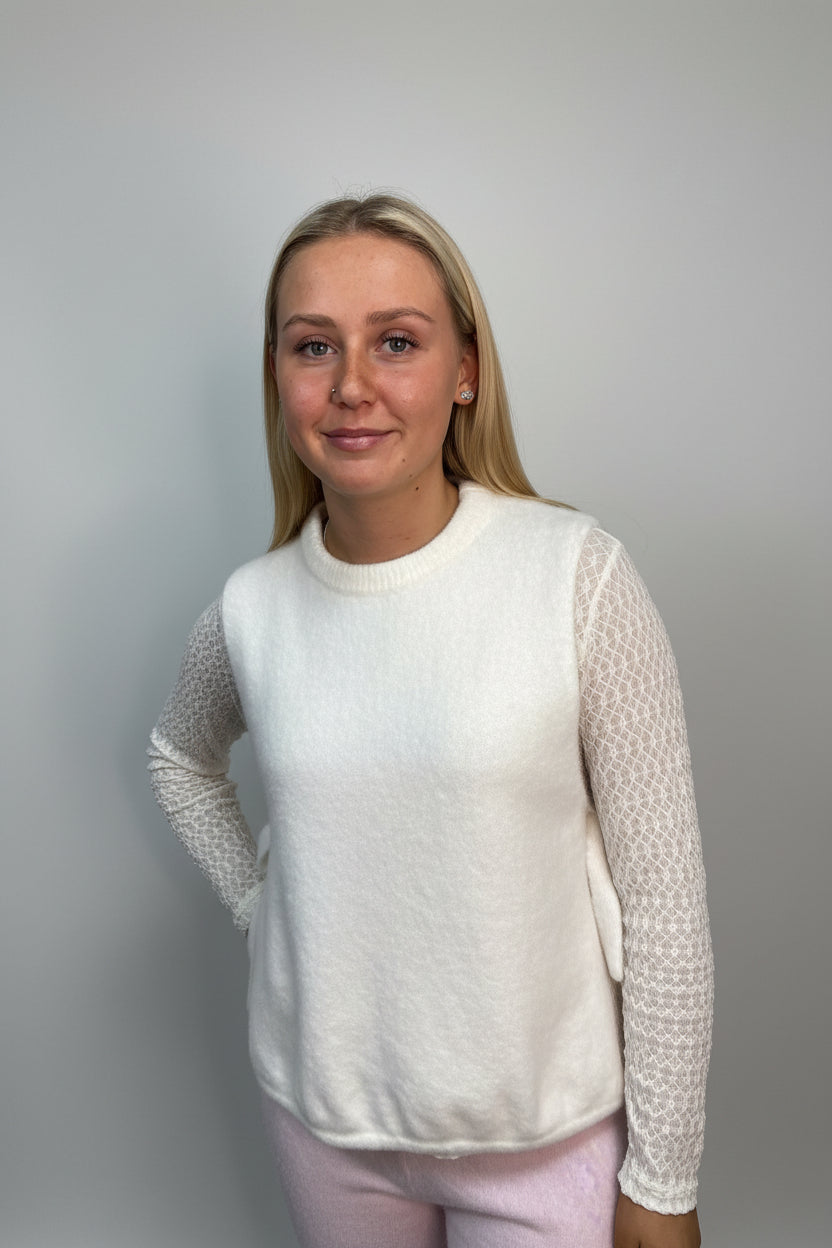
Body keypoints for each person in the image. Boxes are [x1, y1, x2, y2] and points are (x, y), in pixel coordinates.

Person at [147, 193, 713, 1248]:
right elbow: (180, 757)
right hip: (326, 1132)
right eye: (313, 346)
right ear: (276, 373)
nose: (351, 386)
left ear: (465, 370)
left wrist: (664, 1181)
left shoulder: (572, 577)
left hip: (545, 1141)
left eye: (396, 342)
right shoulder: (252, 610)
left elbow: (666, 913)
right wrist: (263, 904)